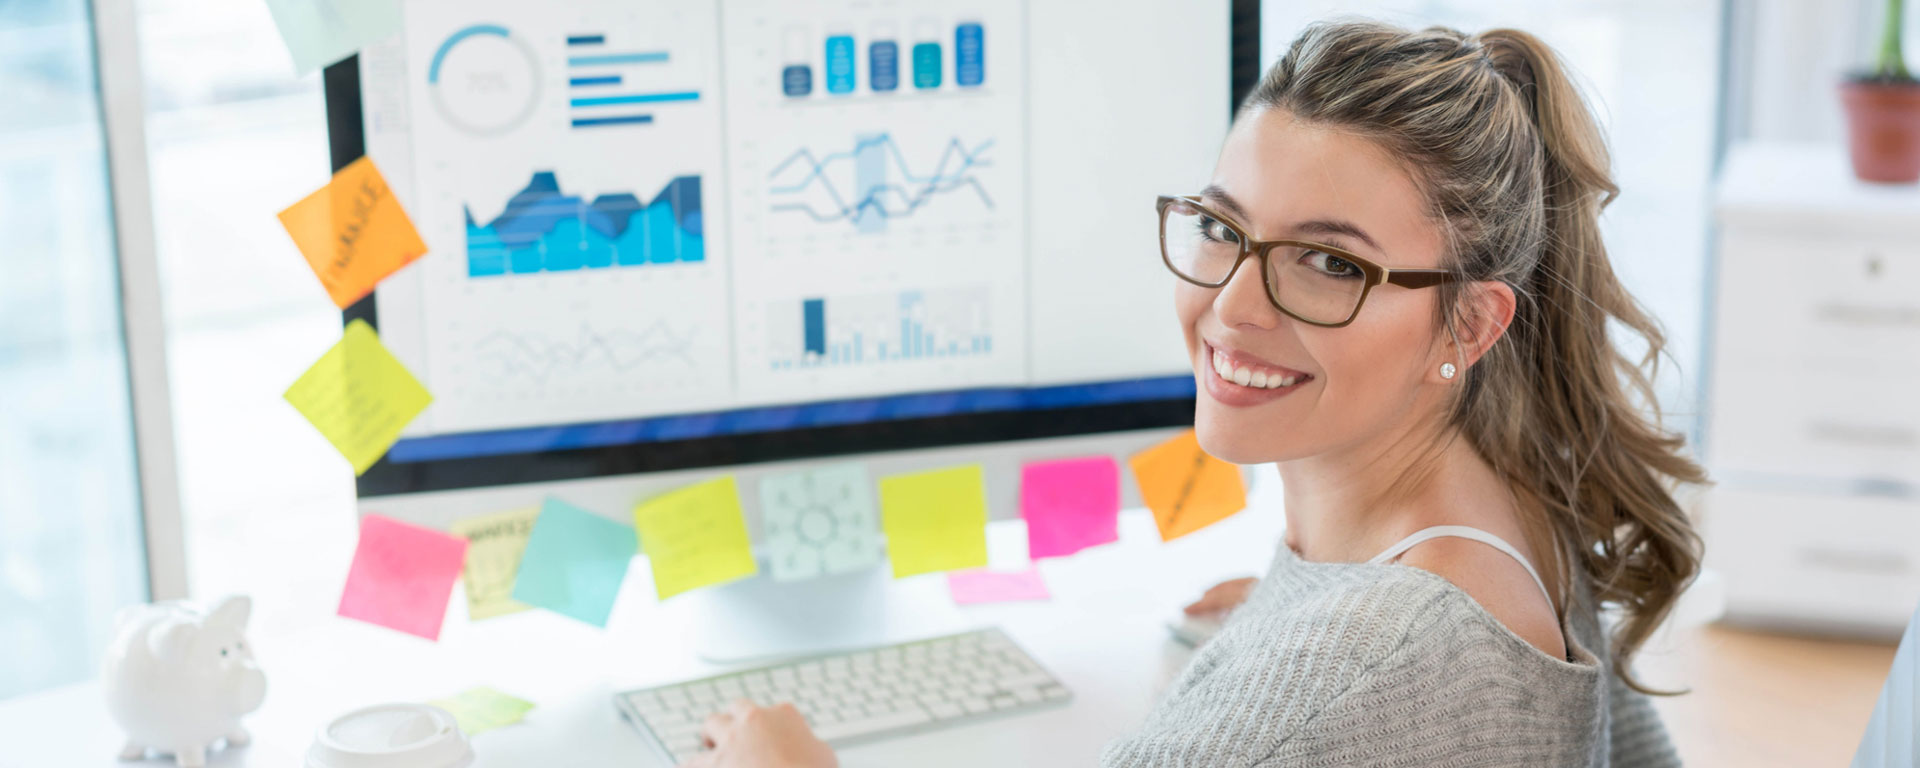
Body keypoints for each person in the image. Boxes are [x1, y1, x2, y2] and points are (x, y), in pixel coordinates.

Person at [687, 19, 1703, 767]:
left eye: (1327, 264)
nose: (1233, 307)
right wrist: (1286, 623)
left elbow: (1361, 689)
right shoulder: (1503, 505)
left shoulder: (1368, 657)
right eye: (1222, 228)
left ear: (1473, 323)